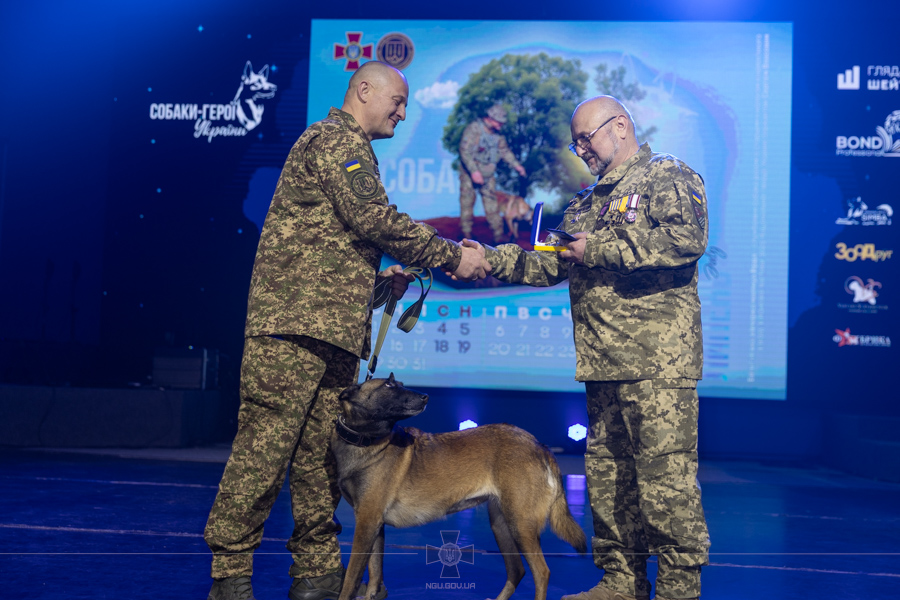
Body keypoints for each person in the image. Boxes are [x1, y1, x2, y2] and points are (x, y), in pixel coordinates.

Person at [204, 61, 490, 600]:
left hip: (330, 332)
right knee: (264, 452)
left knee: (322, 458)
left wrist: (378, 281)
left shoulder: (348, 149)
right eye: (397, 101)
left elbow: (328, 248)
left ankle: (316, 573)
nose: (402, 113)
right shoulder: (336, 141)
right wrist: (454, 256)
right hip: (292, 331)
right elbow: (376, 219)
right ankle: (231, 575)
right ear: (363, 90)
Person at [464, 96, 711, 600]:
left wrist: (595, 248)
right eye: (575, 143)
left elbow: (687, 240)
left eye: (586, 139)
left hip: (658, 365)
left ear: (619, 126)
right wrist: (488, 258)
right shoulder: (585, 203)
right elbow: (547, 264)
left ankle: (678, 591)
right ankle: (622, 582)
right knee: (609, 480)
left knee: (666, 485)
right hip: (602, 366)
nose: (581, 151)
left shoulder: (667, 175)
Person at [457, 103, 527, 243]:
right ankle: (466, 234)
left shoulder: (498, 136)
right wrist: (474, 171)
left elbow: (504, 151)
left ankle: (498, 235)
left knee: (492, 206)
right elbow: (464, 151)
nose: (501, 125)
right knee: (467, 204)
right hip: (469, 173)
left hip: (488, 175)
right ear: (490, 118)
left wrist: (517, 166)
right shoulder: (474, 129)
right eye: (499, 122)